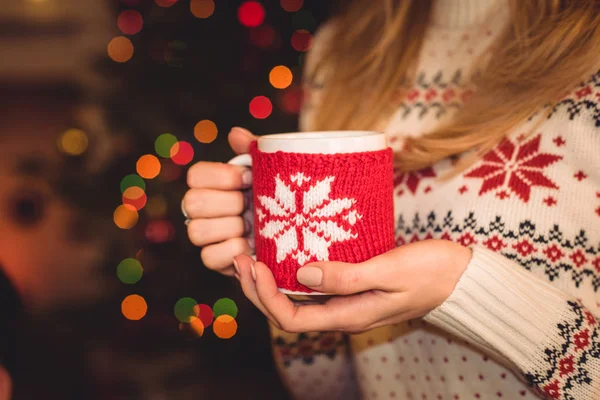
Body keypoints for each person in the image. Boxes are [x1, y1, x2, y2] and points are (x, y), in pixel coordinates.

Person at [183, 0, 600, 398]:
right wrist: (282, 257)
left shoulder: (589, 57)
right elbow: (335, 390)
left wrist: (465, 290)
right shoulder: (343, 52)